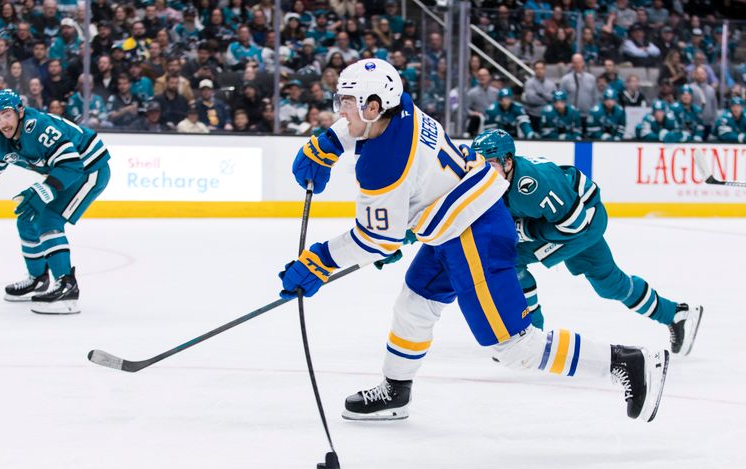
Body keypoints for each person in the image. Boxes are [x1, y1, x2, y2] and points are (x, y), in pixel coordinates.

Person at [278, 58, 669, 425]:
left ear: (376, 105)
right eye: (341, 102)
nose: (340, 113)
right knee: (414, 306)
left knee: (515, 347)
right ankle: (396, 391)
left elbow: (377, 239)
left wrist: (319, 263)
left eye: (347, 104)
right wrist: (329, 143)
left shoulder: (383, 164)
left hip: (472, 234)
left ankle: (627, 362)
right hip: (455, 223)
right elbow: (367, 133)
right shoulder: (404, 111)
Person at [471, 129, 702, 358]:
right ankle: (674, 314)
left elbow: (574, 225)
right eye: (481, 163)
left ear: (508, 161)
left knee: (510, 259)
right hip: (573, 220)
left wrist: (525, 230)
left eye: (490, 163)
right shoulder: (499, 179)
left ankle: (530, 336)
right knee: (611, 285)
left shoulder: (533, 185)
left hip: (581, 225)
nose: (484, 170)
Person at [0, 89, 111, 314]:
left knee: (48, 220)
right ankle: (38, 278)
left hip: (90, 169)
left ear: (20, 111)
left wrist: (45, 189)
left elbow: (72, 164)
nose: (2, 122)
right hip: (67, 171)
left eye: (6, 114)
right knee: (27, 219)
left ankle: (67, 288)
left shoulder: (39, 127)